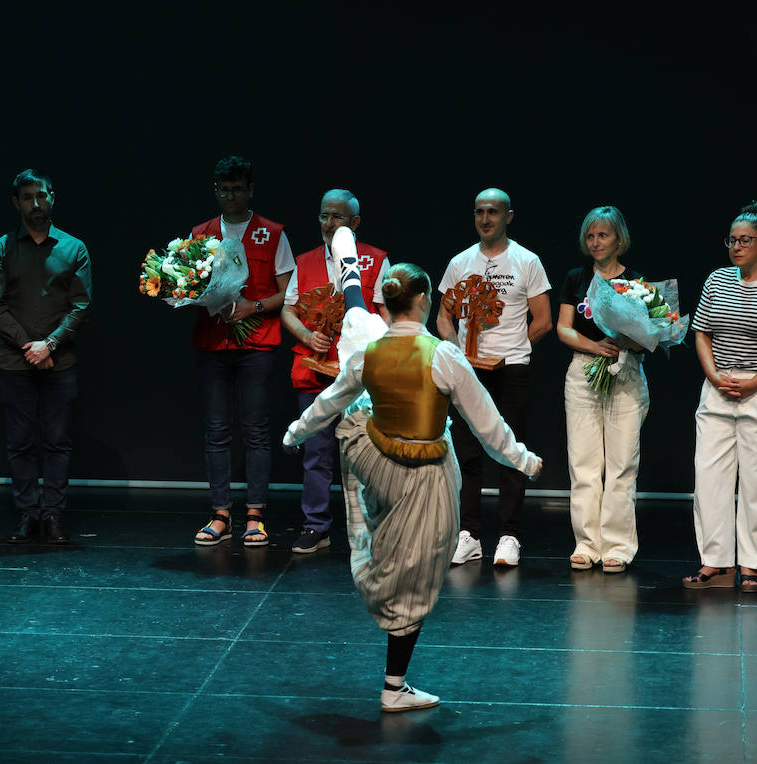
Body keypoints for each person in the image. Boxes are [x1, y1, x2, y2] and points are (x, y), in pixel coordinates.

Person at [285, 230, 542, 711]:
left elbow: (328, 403)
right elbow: (487, 423)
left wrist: (296, 431)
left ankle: (393, 670)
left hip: (376, 461)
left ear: (388, 302)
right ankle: (394, 686)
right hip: (422, 475)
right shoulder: (442, 355)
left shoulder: (369, 352)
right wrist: (523, 460)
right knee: (418, 572)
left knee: (355, 322)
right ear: (423, 300)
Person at [683, 202, 757, 593]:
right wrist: (712, 373)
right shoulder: (717, 280)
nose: (737, 247)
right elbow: (701, 331)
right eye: (732, 240)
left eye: (745, 240)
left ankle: (751, 564)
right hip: (719, 387)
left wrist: (753, 383)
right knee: (710, 477)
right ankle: (715, 561)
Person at [435, 188, 551, 567]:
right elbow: (442, 316)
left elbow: (544, 320)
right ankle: (468, 534)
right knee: (467, 452)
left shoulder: (527, 260)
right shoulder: (459, 262)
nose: (486, 218)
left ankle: (509, 536)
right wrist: (456, 351)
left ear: (509, 217)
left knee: (508, 451)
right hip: (469, 372)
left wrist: (515, 350)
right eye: (480, 212)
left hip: (511, 369)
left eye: (493, 212)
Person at [0, 169, 92, 545]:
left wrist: (50, 345)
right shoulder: (0, 248)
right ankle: (28, 514)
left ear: (52, 196)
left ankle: (54, 515)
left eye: (41, 196)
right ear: (16, 203)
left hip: (59, 362)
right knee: (20, 442)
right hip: (15, 363)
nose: (36, 204)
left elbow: (80, 306)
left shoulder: (74, 248)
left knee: (58, 441)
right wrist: (31, 347)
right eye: (27, 197)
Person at [190, 155, 294, 547]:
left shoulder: (272, 232)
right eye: (223, 189)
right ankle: (220, 514)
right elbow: (189, 287)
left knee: (256, 430)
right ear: (215, 190)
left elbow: (287, 292)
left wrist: (255, 307)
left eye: (236, 188)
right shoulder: (201, 233)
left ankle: (255, 514)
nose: (229, 195)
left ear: (249, 190)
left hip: (257, 344)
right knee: (216, 430)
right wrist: (201, 297)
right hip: (213, 341)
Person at [280, 189, 389, 554]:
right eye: (324, 216)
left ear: (354, 222)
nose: (329, 224)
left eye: (337, 217)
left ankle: (373, 527)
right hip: (314, 370)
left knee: (366, 453)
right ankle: (316, 525)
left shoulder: (377, 260)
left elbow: (386, 315)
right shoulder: (305, 261)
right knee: (316, 452)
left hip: (360, 377)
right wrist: (308, 336)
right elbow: (288, 310)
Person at [556, 206, 648, 573]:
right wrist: (595, 347)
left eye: (603, 235)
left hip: (624, 373)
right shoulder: (575, 278)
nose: (596, 242)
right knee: (583, 463)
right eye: (591, 236)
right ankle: (586, 543)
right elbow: (564, 328)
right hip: (583, 372)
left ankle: (618, 546)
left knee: (622, 464)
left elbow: (648, 339)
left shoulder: (636, 282)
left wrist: (630, 339)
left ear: (619, 239)